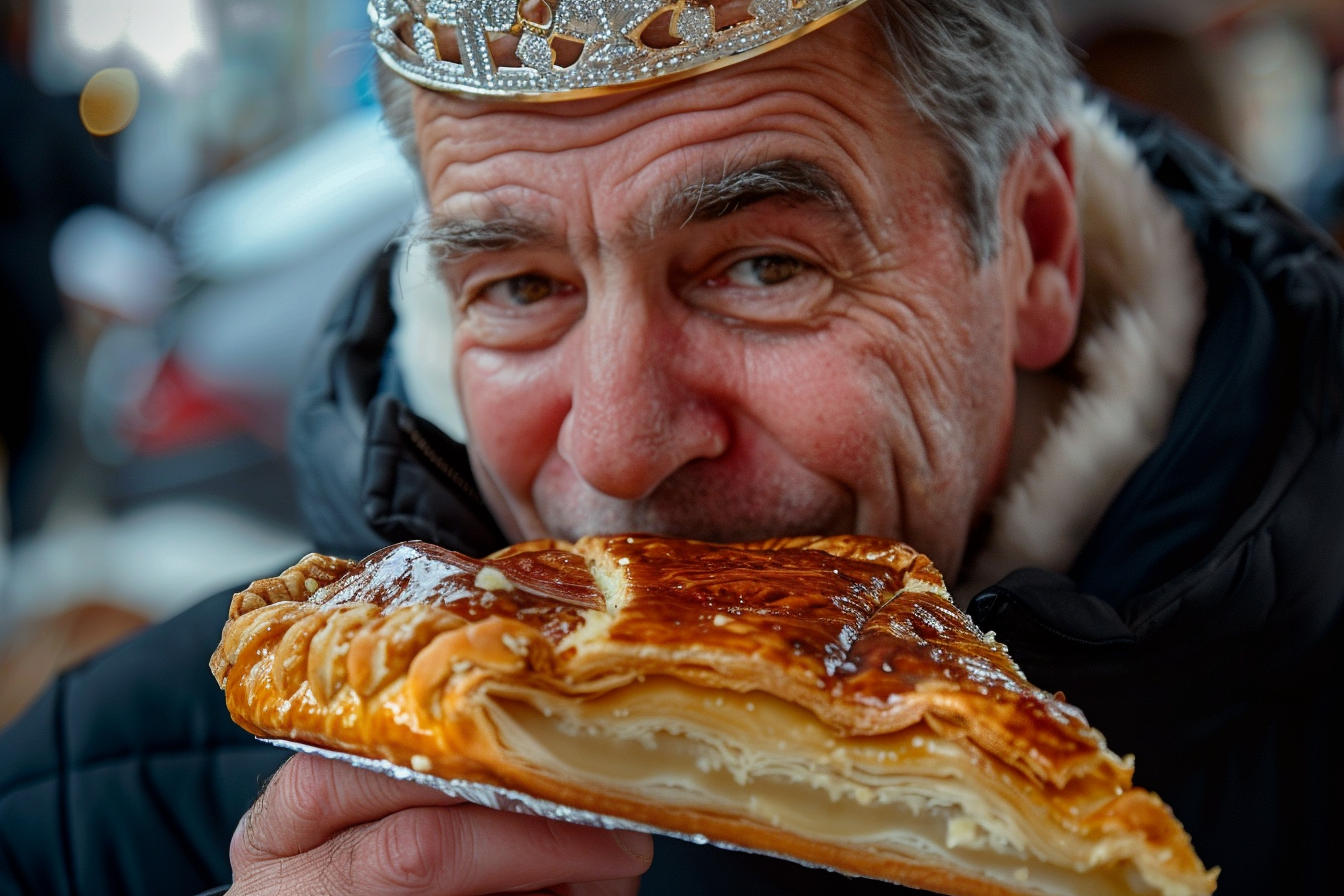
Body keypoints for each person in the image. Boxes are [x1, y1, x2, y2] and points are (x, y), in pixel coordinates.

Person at [2, 1, 1341, 895]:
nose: (622, 448)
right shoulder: (90, 801)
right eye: (520, 287)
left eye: (762, 266)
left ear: (1037, 248)